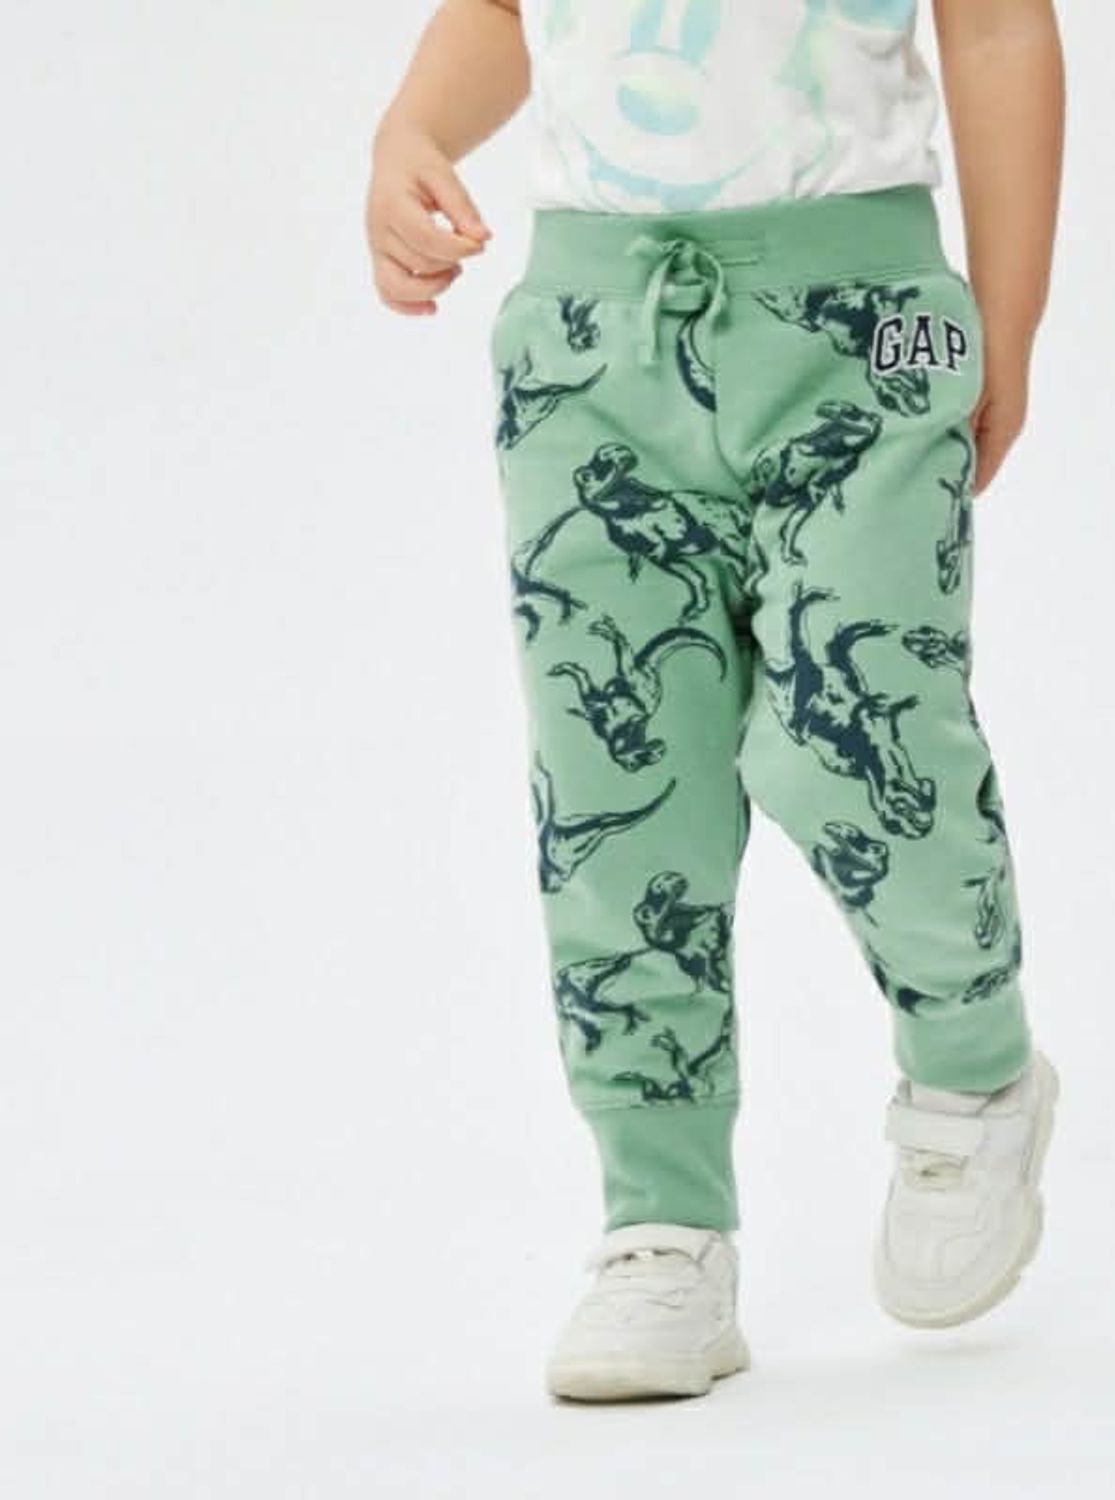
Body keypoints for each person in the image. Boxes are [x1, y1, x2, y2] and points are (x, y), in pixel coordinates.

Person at [366, 0, 1064, 1403]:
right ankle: (663, 1220)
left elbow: (995, 28)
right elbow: (500, 9)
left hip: (859, 327)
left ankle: (973, 1066)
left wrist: (1009, 319)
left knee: (856, 723)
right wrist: (414, 129)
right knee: (617, 791)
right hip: (589, 348)